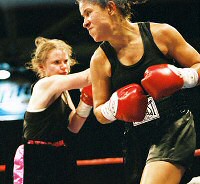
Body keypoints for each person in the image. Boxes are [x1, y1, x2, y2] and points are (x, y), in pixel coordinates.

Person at [76, 0, 200, 184]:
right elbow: (99, 112)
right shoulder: (99, 60)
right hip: (137, 139)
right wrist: (114, 107)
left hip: (174, 127)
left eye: (88, 13)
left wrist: (181, 77)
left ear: (110, 7)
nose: (84, 22)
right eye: (83, 16)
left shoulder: (160, 34)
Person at [13, 37, 93, 184]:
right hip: (36, 156)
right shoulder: (45, 84)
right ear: (42, 67)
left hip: (60, 153)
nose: (63, 66)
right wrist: (112, 54)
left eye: (65, 61)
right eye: (56, 62)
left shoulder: (64, 92)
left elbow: (73, 127)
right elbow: (88, 77)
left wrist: (86, 102)